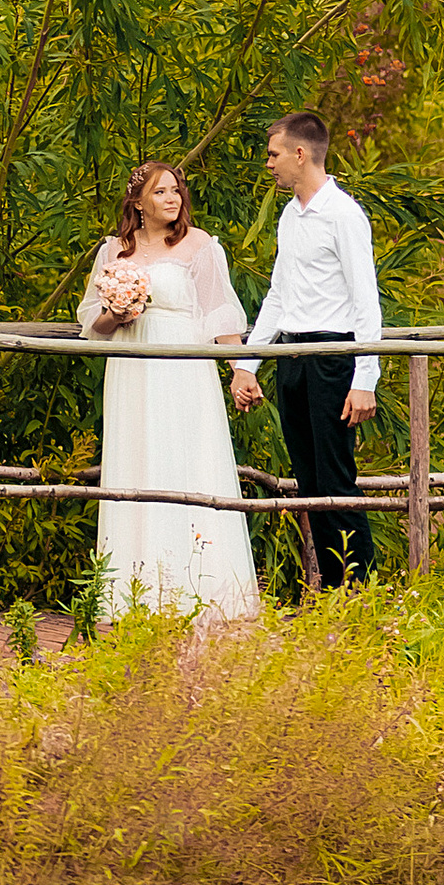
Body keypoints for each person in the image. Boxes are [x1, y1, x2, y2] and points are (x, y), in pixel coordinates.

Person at [78, 160, 260, 620]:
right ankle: (132, 592)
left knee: (187, 460)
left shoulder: (199, 245)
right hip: (131, 367)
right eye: (160, 191)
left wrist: (241, 370)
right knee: (136, 461)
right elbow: (94, 326)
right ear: (138, 202)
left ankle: (203, 589)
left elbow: (221, 317)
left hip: (184, 367)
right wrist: (117, 313)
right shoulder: (113, 251)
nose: (172, 198)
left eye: (176, 190)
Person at [233, 111, 382, 590]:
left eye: (273, 154)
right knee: (309, 481)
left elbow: (365, 300)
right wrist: (248, 365)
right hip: (292, 359)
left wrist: (365, 378)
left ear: (300, 154)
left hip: (332, 358)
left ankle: (361, 593)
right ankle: (334, 592)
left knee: (335, 479)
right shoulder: (290, 216)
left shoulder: (343, 215)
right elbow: (278, 297)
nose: (268, 163)